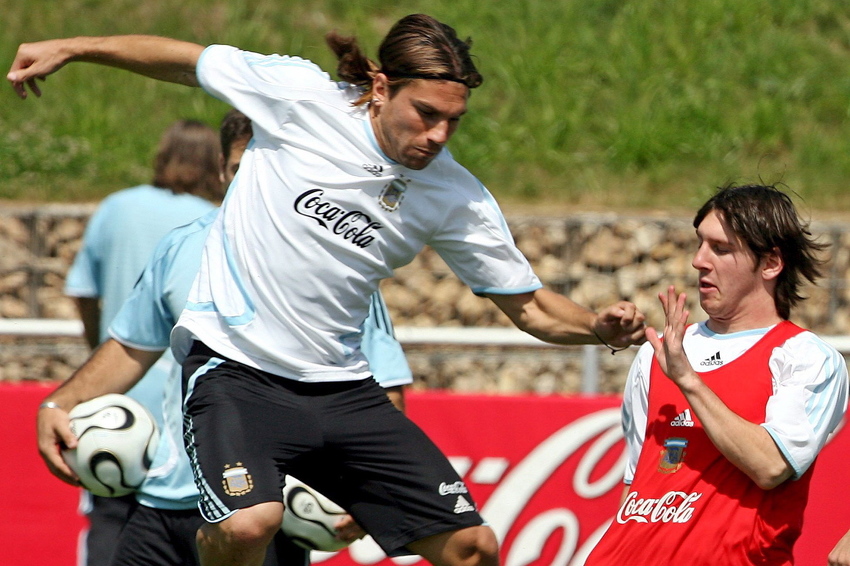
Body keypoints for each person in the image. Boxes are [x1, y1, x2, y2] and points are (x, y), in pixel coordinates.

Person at [10, 14, 646, 566]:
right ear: (379, 86)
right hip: (236, 373)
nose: (438, 136)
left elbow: (528, 305)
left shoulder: (455, 196)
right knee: (248, 523)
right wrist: (74, 47)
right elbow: (183, 60)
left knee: (472, 547)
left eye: (454, 121)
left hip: (342, 392)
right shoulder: (299, 98)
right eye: (425, 115)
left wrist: (595, 326)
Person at [38, 109, 412, 565]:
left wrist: (367, 488)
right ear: (221, 170)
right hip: (161, 501)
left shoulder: (339, 261)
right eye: (241, 169)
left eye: (270, 169)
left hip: (261, 513)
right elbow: (131, 346)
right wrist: (59, 404)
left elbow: (384, 382)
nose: (254, 184)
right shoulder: (180, 246)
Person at [584, 184, 849, 565]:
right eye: (700, 244)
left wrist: (689, 381)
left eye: (721, 249)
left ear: (771, 263)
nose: (698, 261)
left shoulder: (805, 357)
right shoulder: (656, 354)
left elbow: (771, 465)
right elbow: (636, 487)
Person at [61, 118, 223, 566]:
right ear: (219, 164)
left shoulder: (116, 208)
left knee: (112, 517)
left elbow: (83, 290)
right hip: (188, 408)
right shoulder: (214, 222)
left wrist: (102, 347)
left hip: (116, 396)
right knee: (189, 526)